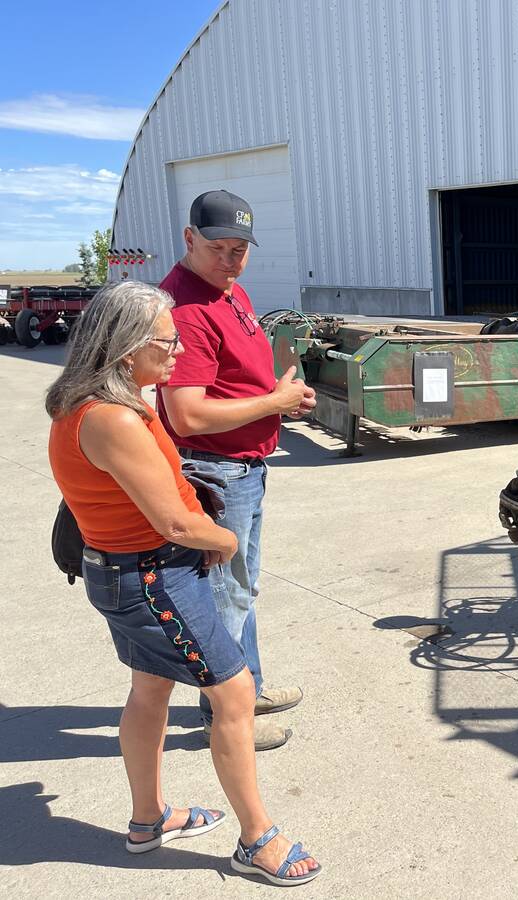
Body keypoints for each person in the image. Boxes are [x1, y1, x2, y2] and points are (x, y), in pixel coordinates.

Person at [46, 281, 321, 885]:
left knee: (151, 692)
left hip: (126, 574)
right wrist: (223, 541)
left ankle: (149, 821)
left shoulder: (87, 403)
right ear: (126, 348)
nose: (176, 355)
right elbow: (170, 520)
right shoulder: (113, 416)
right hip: (152, 577)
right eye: (166, 343)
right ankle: (257, 838)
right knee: (233, 693)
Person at [157, 190, 315, 751]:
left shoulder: (229, 291)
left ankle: (249, 688)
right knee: (222, 599)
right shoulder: (186, 309)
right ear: (189, 238)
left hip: (245, 467)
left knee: (240, 589)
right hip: (216, 472)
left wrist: (281, 395)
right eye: (219, 248)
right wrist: (272, 404)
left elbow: (237, 381)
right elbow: (189, 413)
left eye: (240, 249)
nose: (231, 260)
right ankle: (226, 722)